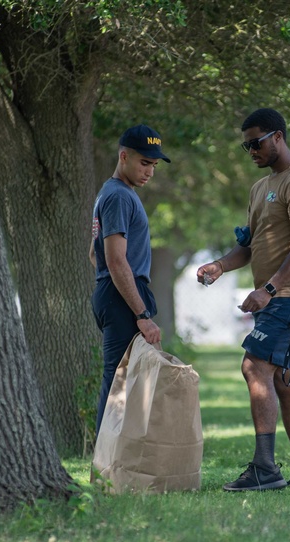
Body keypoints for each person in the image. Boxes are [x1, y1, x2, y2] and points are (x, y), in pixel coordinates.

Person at [196, 108, 290, 491]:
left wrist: (267, 290)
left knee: (254, 367)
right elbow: (250, 247)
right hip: (279, 296)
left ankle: (265, 468)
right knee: (286, 383)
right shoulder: (260, 188)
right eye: (245, 145)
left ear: (278, 137)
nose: (250, 150)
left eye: (256, 142)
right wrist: (219, 266)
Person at [89, 124, 169, 437]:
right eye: (144, 163)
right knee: (118, 387)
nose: (150, 171)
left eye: (154, 165)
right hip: (124, 299)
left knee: (127, 383)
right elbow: (114, 259)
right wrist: (141, 314)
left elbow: (93, 254)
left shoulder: (112, 193)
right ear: (124, 156)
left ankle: (121, 465)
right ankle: (108, 470)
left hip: (115, 292)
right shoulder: (119, 196)